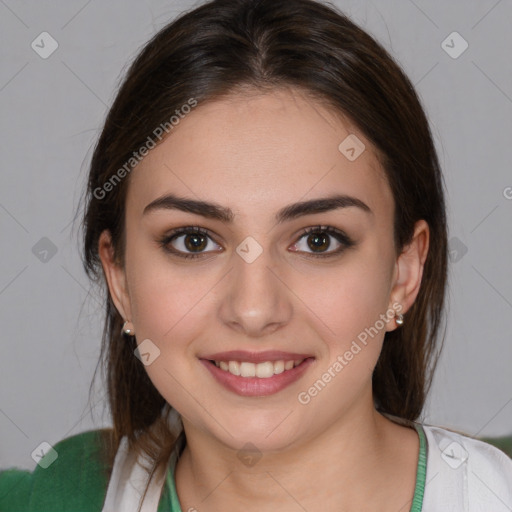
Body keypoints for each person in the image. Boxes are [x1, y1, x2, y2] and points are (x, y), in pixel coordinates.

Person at [1, 0, 511, 510]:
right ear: (120, 278)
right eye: (193, 241)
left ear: (404, 272)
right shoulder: (52, 496)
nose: (253, 310)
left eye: (318, 240)